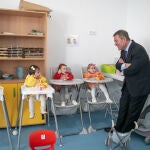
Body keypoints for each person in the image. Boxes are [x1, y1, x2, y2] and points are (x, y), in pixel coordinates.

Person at [113, 30, 150, 135]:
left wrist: (124, 66)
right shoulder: (124, 51)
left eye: (116, 41)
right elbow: (117, 65)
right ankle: (118, 129)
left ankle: (123, 135)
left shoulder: (138, 50)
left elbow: (132, 70)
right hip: (128, 86)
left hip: (139, 88)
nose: (115, 43)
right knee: (123, 108)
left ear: (124, 39)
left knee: (132, 113)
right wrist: (126, 65)